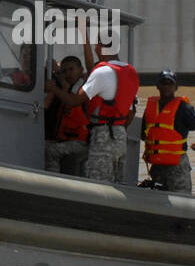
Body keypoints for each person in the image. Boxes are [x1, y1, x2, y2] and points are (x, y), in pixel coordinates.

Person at [47, 41, 139, 183]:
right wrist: (116, 128)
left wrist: (53, 89)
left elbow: (74, 100)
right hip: (119, 136)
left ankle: (53, 188)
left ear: (99, 47)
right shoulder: (129, 74)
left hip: (101, 137)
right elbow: (131, 112)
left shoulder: (101, 73)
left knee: (99, 184)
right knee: (118, 183)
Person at [141, 69, 195, 193]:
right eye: (163, 83)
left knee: (181, 202)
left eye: (170, 84)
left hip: (177, 168)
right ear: (157, 86)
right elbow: (142, 135)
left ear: (176, 87)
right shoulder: (150, 108)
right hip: (157, 168)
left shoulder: (184, 109)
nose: (166, 87)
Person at [43, 56, 88, 174]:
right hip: (66, 140)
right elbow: (65, 87)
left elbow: (70, 99)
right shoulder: (70, 88)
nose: (68, 74)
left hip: (81, 142)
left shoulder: (83, 89)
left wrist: (53, 87)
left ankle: (53, 182)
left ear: (81, 69)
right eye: (65, 71)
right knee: (42, 144)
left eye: (71, 69)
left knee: (51, 151)